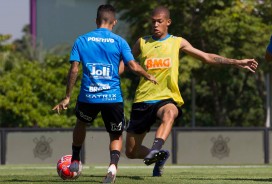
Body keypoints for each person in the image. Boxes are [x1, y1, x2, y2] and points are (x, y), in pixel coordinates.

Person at [125, 6, 258, 177]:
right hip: (142, 100)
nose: (155, 25)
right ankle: (158, 156)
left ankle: (155, 150)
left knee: (170, 113)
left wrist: (236, 62)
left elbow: (206, 57)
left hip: (166, 97)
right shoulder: (142, 42)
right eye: (153, 22)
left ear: (168, 22)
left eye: (159, 21)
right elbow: (126, 62)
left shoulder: (177, 42)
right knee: (131, 152)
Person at [52, 4, 157, 183]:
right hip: (112, 97)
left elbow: (74, 70)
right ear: (114, 22)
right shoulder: (119, 41)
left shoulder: (82, 40)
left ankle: (76, 159)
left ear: (96, 21)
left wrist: (67, 96)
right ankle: (112, 168)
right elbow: (132, 66)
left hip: (88, 96)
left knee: (81, 123)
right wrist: (147, 75)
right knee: (116, 135)